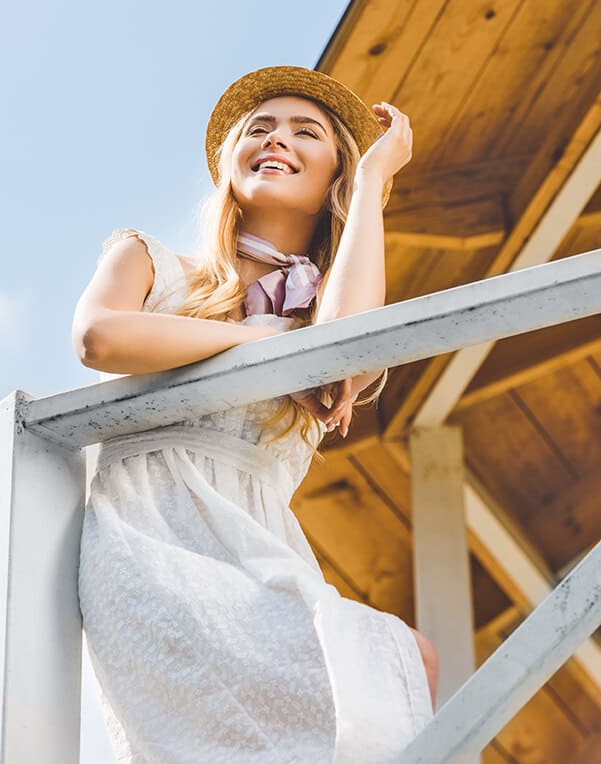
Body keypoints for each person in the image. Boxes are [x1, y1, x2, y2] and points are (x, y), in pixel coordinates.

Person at [72, 65, 438, 764]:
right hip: (150, 536)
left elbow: (345, 356)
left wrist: (371, 188)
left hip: (261, 544)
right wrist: (261, 342)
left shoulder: (323, 308)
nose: (277, 139)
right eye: (259, 127)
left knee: (400, 668)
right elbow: (100, 338)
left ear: (335, 168)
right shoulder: (150, 260)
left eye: (307, 131)